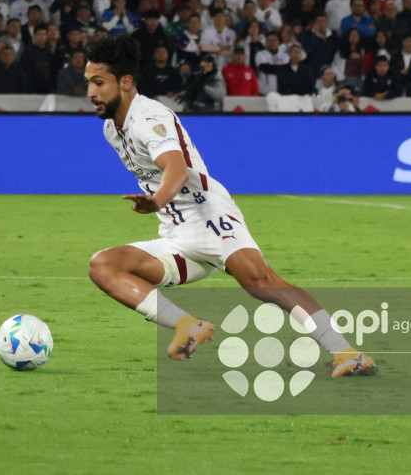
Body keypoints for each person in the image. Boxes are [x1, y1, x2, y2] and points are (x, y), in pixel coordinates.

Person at [84, 35, 376, 375]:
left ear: (125, 82)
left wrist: (157, 200)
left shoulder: (148, 117)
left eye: (98, 82)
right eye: (88, 82)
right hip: (177, 234)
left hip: (209, 215)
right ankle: (187, 325)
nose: (90, 92)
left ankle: (348, 353)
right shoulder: (111, 128)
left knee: (262, 283)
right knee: (103, 266)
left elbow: (176, 168)